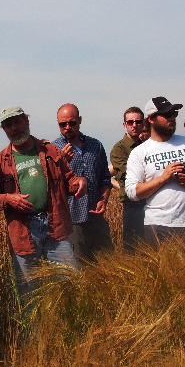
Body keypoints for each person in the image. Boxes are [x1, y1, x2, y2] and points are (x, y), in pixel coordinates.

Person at [0, 105, 87, 301]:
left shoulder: (50, 150)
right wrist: (8, 199)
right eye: (8, 125)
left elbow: (69, 180)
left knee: (71, 285)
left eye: (17, 122)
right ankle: (37, 333)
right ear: (4, 130)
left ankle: (71, 328)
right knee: (31, 296)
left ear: (27, 121)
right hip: (23, 233)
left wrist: (79, 182)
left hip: (56, 227)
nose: (14, 128)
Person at [125, 97, 185, 247]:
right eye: (166, 115)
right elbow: (132, 192)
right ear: (151, 119)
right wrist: (163, 178)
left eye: (174, 114)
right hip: (156, 225)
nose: (172, 118)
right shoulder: (140, 152)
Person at [52, 103, 114, 259]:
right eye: (62, 124)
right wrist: (60, 164)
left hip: (97, 220)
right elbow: (49, 185)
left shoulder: (95, 145)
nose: (67, 127)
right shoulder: (52, 150)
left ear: (79, 120)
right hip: (72, 223)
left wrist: (103, 199)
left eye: (72, 123)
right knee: (79, 272)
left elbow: (105, 178)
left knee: (108, 268)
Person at [110, 106, 147, 251]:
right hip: (133, 205)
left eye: (138, 122)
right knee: (133, 248)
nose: (134, 125)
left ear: (143, 124)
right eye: (130, 122)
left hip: (151, 204)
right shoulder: (119, 149)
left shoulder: (146, 146)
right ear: (124, 125)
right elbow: (130, 177)